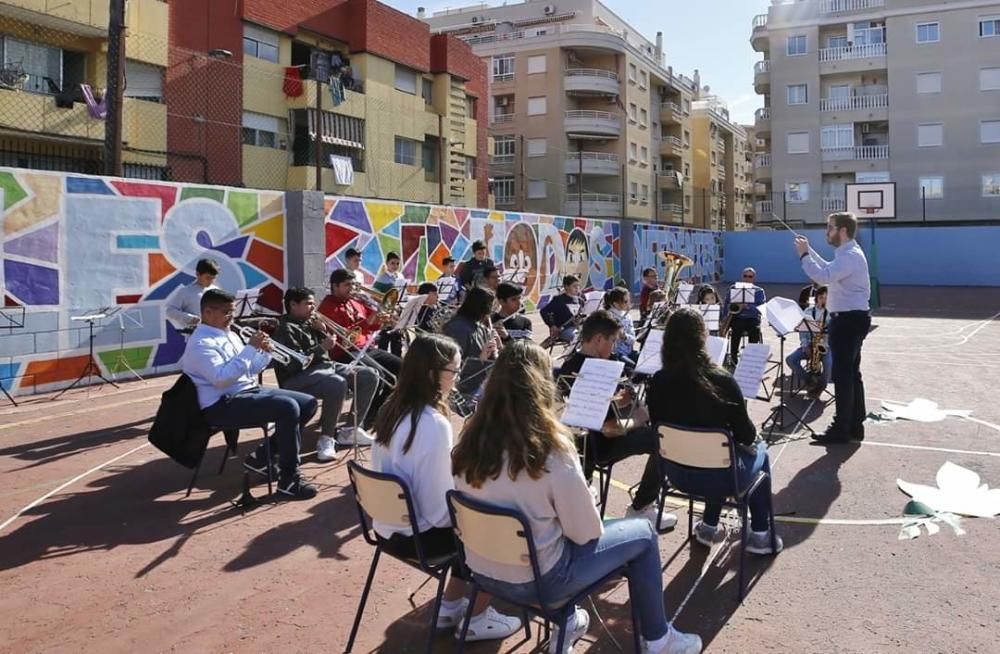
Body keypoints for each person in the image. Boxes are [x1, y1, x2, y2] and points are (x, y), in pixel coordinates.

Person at [452, 341, 703, 654]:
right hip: (540, 581)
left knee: (546, 529)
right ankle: (658, 638)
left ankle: (564, 619)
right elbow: (586, 533)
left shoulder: (469, 441)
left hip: (482, 572)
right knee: (643, 535)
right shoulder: (552, 449)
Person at [371, 335, 522, 641]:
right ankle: (477, 618)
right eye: (453, 370)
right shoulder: (433, 424)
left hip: (387, 532)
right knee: (496, 527)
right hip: (422, 540)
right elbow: (442, 511)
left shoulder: (391, 409)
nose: (458, 377)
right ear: (431, 374)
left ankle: (449, 605)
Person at [647, 307, 783, 554]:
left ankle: (709, 527)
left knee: (714, 451)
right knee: (759, 450)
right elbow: (747, 436)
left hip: (675, 474)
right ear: (702, 338)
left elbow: (657, 427)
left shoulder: (657, 381)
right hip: (722, 477)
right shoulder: (721, 380)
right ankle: (761, 535)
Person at [181, 289, 318, 499]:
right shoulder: (201, 344)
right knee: (287, 407)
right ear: (208, 312)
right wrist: (249, 349)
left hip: (246, 392)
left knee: (307, 403)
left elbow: (250, 369)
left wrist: (265, 352)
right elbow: (221, 379)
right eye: (227, 312)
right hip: (221, 404)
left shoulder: (231, 334)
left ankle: (262, 457)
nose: (232, 317)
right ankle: (289, 480)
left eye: (232, 311)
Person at [558, 310, 673, 529]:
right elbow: (608, 429)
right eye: (612, 341)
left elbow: (589, 409)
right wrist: (639, 418)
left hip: (574, 447)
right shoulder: (600, 370)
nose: (614, 347)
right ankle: (642, 506)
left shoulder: (570, 365)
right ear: (599, 339)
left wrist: (619, 403)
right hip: (598, 447)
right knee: (662, 439)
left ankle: (587, 481)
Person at [272, 288, 377, 461]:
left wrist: (322, 332)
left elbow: (326, 355)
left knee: (369, 375)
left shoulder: (310, 322)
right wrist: (322, 347)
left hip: (324, 367)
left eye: (313, 303)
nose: (313, 308)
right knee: (336, 383)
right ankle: (326, 438)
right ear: (293, 305)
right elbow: (293, 365)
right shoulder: (284, 329)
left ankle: (350, 430)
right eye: (308, 304)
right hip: (296, 378)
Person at [795, 211, 872, 443]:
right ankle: (855, 426)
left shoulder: (850, 256)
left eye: (830, 227)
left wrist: (804, 256)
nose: (826, 232)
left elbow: (823, 276)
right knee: (852, 374)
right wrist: (810, 251)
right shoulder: (847, 254)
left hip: (848, 321)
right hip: (851, 319)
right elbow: (830, 267)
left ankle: (841, 429)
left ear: (842, 231)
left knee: (842, 377)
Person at [318, 269, 403, 428]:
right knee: (384, 377)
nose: (352, 288)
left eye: (352, 284)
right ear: (335, 286)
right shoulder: (327, 307)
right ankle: (363, 421)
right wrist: (369, 320)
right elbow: (346, 338)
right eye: (347, 285)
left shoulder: (356, 301)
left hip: (367, 347)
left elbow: (372, 324)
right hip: (346, 353)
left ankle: (375, 412)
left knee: (403, 368)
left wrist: (383, 320)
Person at [442, 286, 498, 396]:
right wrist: (480, 359)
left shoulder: (481, 328)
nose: (490, 312)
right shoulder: (457, 329)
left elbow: (491, 363)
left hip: (480, 383)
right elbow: (452, 368)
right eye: (489, 308)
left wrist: (495, 351)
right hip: (464, 390)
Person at [786, 285, 832, 399]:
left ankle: (820, 387)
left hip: (826, 347)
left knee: (829, 364)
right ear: (816, 297)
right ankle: (810, 380)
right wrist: (805, 345)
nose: (824, 300)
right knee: (790, 359)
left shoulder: (832, 312)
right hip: (811, 345)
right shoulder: (808, 311)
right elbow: (803, 332)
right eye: (821, 297)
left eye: (826, 298)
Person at [721, 267, 766, 366]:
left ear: (753, 278)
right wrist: (724, 318)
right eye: (745, 276)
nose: (747, 278)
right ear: (742, 276)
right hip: (738, 316)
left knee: (754, 329)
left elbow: (761, 308)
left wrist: (747, 306)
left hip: (752, 318)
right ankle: (733, 358)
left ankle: (751, 358)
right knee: (737, 328)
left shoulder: (759, 291)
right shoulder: (733, 288)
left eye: (750, 276)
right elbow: (727, 304)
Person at [166, 258, 220, 331]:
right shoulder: (185, 291)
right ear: (198, 274)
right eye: (208, 278)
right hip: (195, 334)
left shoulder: (217, 290)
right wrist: (190, 318)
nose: (211, 281)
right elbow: (170, 311)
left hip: (215, 332)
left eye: (214, 278)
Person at [372, 252, 406, 356]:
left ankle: (397, 359)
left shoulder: (400, 276)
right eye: (392, 263)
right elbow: (374, 295)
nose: (395, 266)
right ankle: (382, 359)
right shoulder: (382, 278)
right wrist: (386, 304)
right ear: (387, 263)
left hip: (397, 311)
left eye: (397, 263)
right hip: (386, 312)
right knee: (385, 338)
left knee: (397, 338)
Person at [540, 275, 584, 344]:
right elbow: (543, 311)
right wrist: (552, 325)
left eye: (578, 286)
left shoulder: (580, 300)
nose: (577, 288)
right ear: (566, 287)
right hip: (564, 330)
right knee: (577, 337)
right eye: (574, 286)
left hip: (579, 328)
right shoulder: (559, 300)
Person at [603, 287, 639, 366]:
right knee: (633, 367)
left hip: (628, 352)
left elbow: (633, 339)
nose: (629, 304)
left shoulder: (627, 316)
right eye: (625, 302)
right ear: (615, 303)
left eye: (629, 300)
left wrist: (624, 336)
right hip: (616, 353)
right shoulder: (607, 316)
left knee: (644, 362)